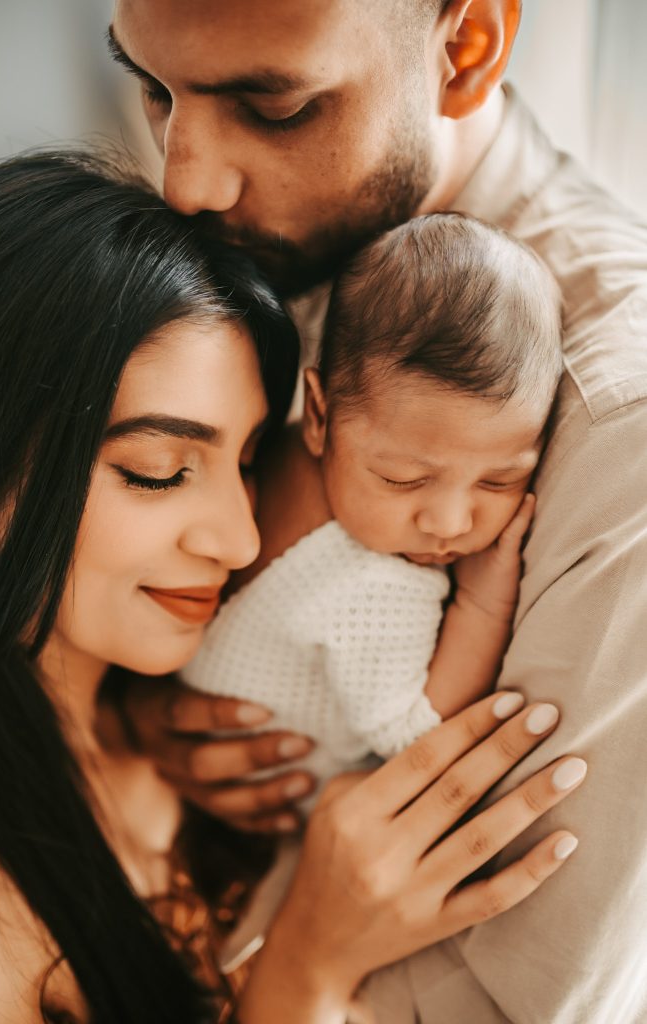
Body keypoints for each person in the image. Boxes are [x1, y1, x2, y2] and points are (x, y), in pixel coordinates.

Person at [0, 151, 584, 1024]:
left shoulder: (185, 718)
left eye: (247, 459)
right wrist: (305, 968)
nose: (237, 539)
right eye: (157, 471)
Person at [106, 1, 647, 1020]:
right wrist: (153, 714)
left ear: (468, 47)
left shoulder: (625, 434)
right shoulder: (248, 240)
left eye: (274, 106)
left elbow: (514, 999)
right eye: (155, 89)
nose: (184, 180)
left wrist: (291, 966)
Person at [183, 213, 562, 800]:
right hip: (275, 795)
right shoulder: (374, 578)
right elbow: (411, 737)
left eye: (498, 481)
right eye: (403, 479)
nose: (450, 524)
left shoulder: (292, 456)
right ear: (318, 415)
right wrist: (485, 604)